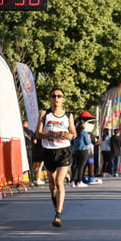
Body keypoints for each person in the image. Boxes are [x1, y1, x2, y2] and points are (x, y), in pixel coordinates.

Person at [36, 88, 76, 228]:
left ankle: (58, 215)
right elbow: (38, 134)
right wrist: (53, 134)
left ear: (63, 99)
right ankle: (55, 201)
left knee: (59, 182)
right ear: (50, 98)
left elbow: (74, 133)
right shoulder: (44, 114)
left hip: (63, 151)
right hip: (49, 151)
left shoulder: (68, 116)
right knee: (52, 184)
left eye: (59, 96)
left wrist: (69, 135)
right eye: (54, 96)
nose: (56, 98)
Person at [70, 120, 91, 188]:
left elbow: (72, 142)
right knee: (81, 166)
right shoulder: (84, 133)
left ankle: (72, 181)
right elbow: (87, 142)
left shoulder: (75, 133)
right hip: (83, 150)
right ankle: (79, 181)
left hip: (76, 150)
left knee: (75, 166)